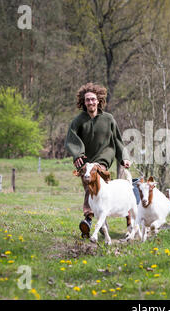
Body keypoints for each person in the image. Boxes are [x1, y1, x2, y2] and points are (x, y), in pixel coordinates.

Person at [65, 82, 132, 238]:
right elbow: (71, 139)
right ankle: (101, 220)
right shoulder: (78, 121)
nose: (90, 102)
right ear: (83, 102)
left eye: (93, 99)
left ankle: (89, 218)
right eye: (87, 100)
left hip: (103, 159)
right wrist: (78, 154)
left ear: (98, 100)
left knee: (94, 185)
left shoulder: (108, 119)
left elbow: (117, 140)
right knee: (93, 191)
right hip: (85, 161)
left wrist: (124, 158)